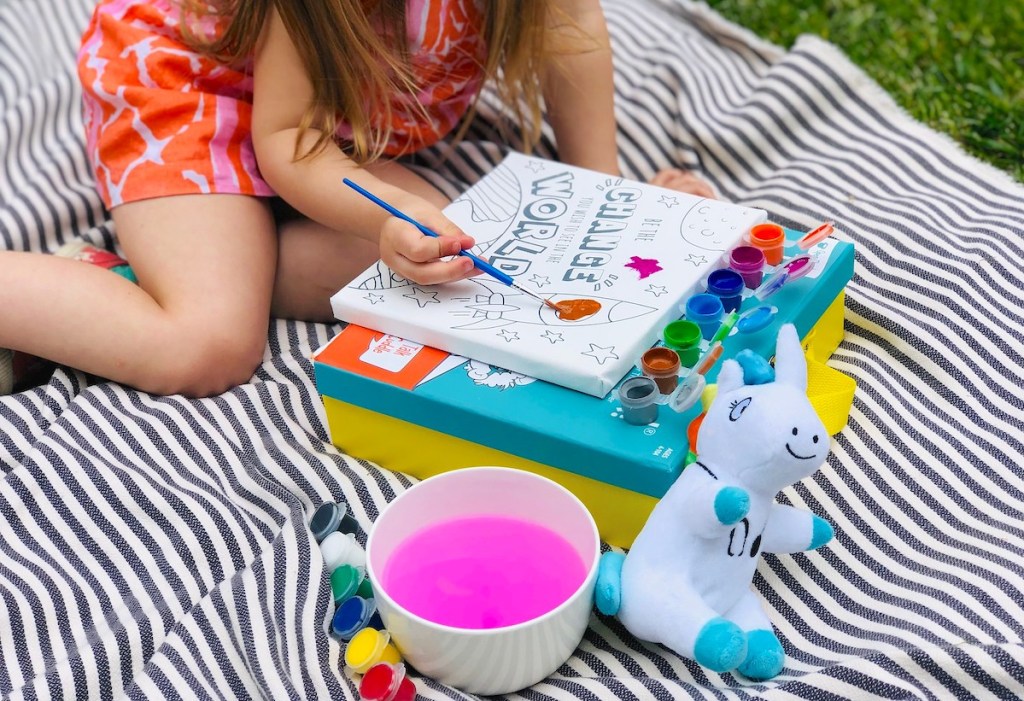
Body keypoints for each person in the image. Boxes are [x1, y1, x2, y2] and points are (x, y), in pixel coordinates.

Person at [0, 0, 715, 398]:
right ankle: (139, 285)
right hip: (195, 82)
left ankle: (179, 266)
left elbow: (570, 30)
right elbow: (290, 136)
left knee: (455, 267)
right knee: (208, 344)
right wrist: (384, 212)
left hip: (336, 116)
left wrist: (611, 194)